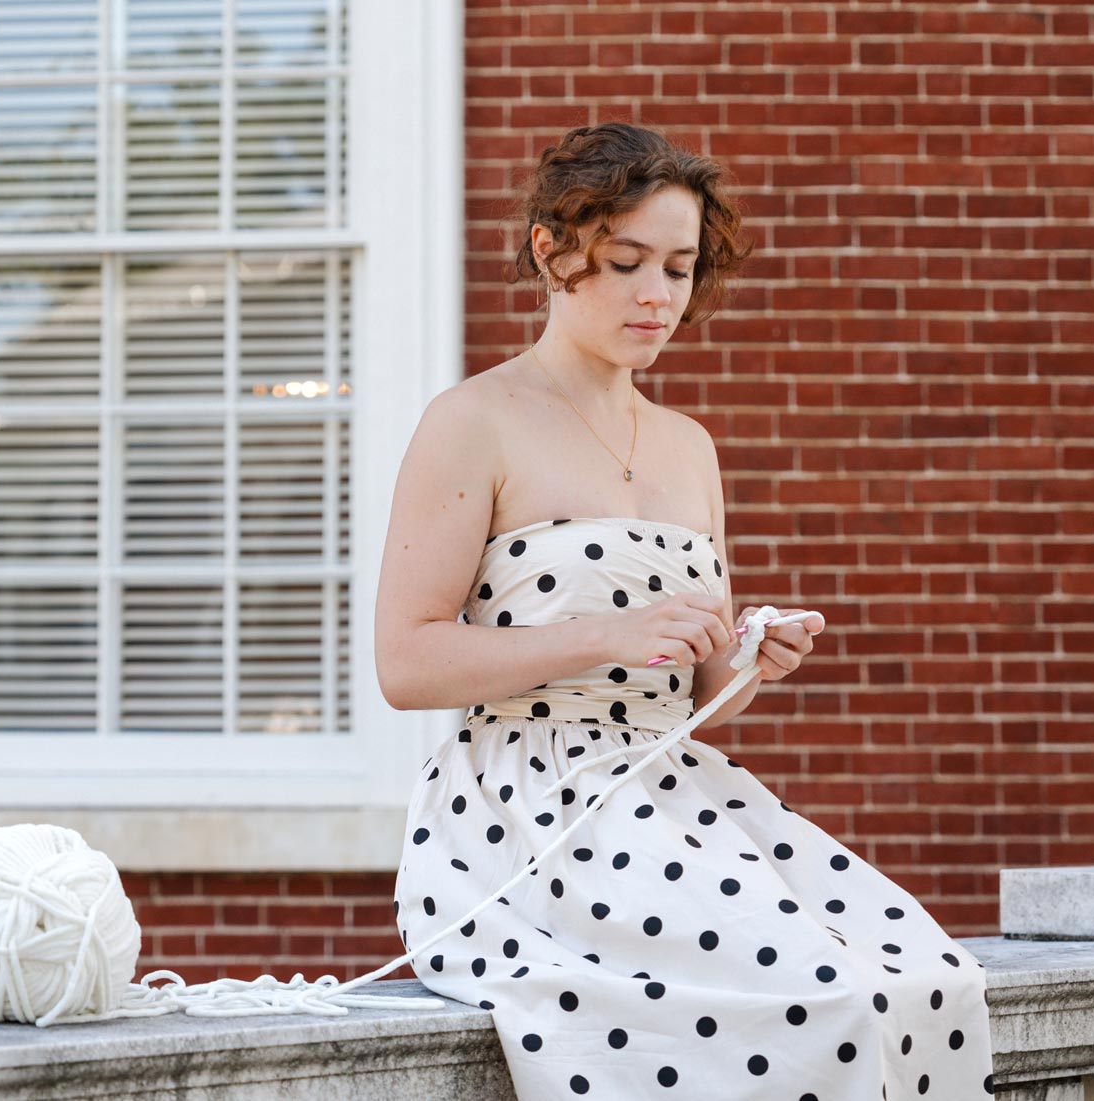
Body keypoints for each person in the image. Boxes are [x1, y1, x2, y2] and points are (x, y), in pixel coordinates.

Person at [372, 122, 996, 1099]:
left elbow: (698, 691)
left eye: (678, 265)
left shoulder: (685, 443)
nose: (657, 295)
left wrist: (747, 654)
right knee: (821, 997)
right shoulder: (471, 422)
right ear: (552, 249)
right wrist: (601, 636)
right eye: (625, 263)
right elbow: (405, 664)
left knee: (921, 979)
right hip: (528, 814)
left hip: (680, 792)